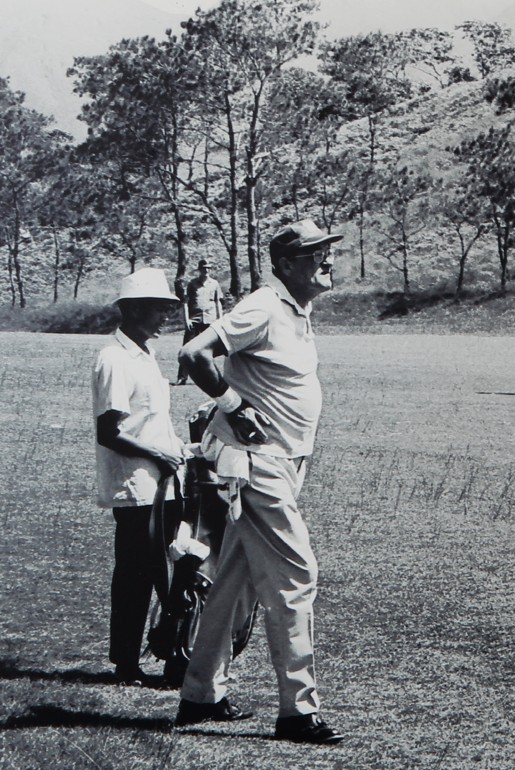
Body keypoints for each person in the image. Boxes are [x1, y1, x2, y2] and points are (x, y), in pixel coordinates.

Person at [175, 219, 346, 745]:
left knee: (235, 582)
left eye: (326, 251)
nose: (327, 260)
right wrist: (234, 404)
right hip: (257, 461)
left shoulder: (297, 309)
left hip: (283, 461)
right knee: (297, 575)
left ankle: (200, 696)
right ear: (287, 265)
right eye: (315, 254)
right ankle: (298, 710)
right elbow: (193, 354)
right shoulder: (264, 306)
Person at [92, 267, 187, 685]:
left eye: (167, 307)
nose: (165, 315)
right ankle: (129, 663)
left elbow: (150, 419)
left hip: (162, 481)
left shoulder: (145, 353)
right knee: (137, 575)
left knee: (167, 571)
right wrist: (158, 454)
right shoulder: (113, 358)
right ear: (132, 310)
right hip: (137, 485)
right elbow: (109, 432)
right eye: (157, 307)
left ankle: (170, 654)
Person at [175, 259, 225, 385]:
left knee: (208, 350)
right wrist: (186, 319)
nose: (206, 270)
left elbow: (217, 302)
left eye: (208, 268)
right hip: (195, 320)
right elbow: (185, 303)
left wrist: (220, 319)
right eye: (203, 268)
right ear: (199, 269)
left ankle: (210, 378)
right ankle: (182, 377)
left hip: (210, 320)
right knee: (187, 348)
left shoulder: (214, 284)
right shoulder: (192, 284)